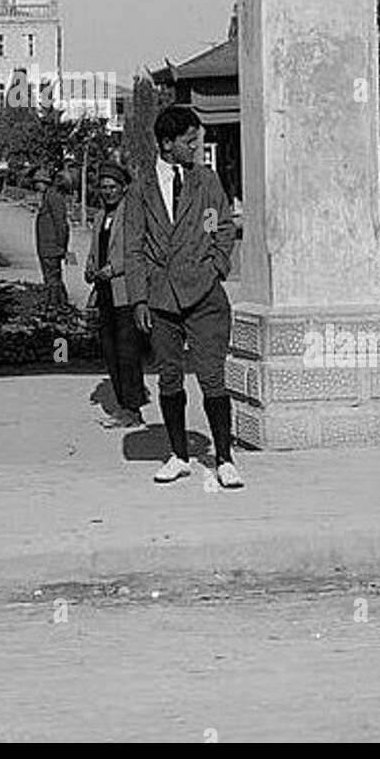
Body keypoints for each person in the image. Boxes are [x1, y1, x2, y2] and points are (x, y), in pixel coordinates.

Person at [124, 105, 244, 488]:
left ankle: (224, 458)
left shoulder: (205, 182)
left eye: (197, 139)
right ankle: (178, 455)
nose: (196, 147)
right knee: (169, 378)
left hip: (204, 294)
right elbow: (133, 247)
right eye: (188, 141)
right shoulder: (140, 189)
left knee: (213, 376)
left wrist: (217, 266)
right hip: (161, 299)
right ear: (166, 144)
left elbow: (219, 225)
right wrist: (139, 299)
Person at [85, 161, 148, 428]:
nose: (108, 192)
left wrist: (114, 268)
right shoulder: (100, 216)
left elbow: (137, 249)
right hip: (104, 291)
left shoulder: (130, 214)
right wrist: (90, 265)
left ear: (123, 189)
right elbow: (96, 246)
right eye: (104, 188)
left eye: (113, 187)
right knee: (110, 349)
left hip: (125, 290)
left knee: (127, 351)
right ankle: (123, 403)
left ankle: (132, 407)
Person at [33, 166, 70, 309]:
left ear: (44, 182)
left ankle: (56, 305)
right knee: (51, 277)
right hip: (46, 246)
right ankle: (56, 303)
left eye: (38, 182)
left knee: (53, 278)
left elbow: (61, 224)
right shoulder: (48, 196)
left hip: (51, 247)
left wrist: (61, 246)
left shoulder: (53, 197)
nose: (36, 185)